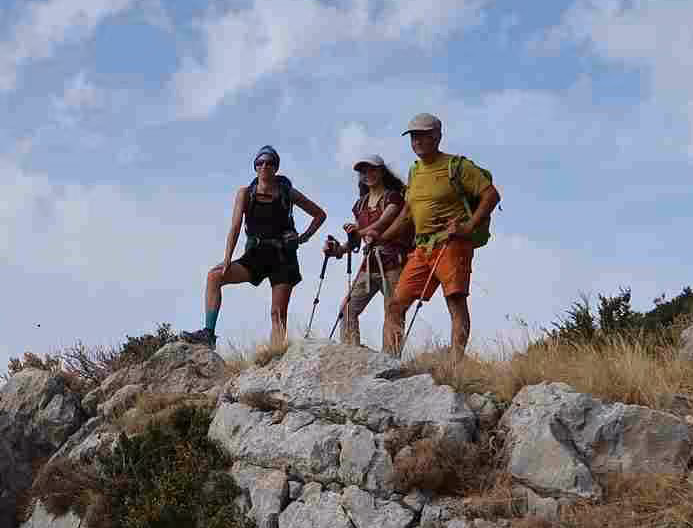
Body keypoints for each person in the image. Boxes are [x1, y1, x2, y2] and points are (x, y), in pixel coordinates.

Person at [361, 113, 501, 356]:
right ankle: (390, 360)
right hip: (422, 247)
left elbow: (491, 195)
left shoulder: (457, 166)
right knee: (396, 304)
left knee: (455, 302)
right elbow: (407, 214)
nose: (416, 141)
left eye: (422, 135)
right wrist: (382, 238)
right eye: (413, 136)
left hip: (452, 243)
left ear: (437, 136)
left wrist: (468, 227)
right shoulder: (415, 171)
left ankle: (456, 363)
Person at [185, 145, 326, 350]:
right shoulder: (245, 194)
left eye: (269, 163)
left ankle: (276, 354)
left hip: (283, 257)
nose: (264, 166)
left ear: (276, 167)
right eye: (260, 162)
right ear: (255, 167)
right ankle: (208, 334)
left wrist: (303, 238)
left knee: (277, 313)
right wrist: (227, 258)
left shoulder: (287, 193)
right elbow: (235, 227)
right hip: (255, 255)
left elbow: (319, 215)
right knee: (214, 277)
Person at [324, 155, 412, 351]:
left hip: (394, 262)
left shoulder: (394, 197)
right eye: (363, 171)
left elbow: (382, 224)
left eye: (372, 169)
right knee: (348, 308)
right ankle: (351, 354)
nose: (367, 174)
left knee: (393, 311)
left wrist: (356, 233)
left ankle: (390, 360)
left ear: (381, 171)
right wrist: (338, 249)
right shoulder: (360, 205)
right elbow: (357, 239)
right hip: (370, 263)